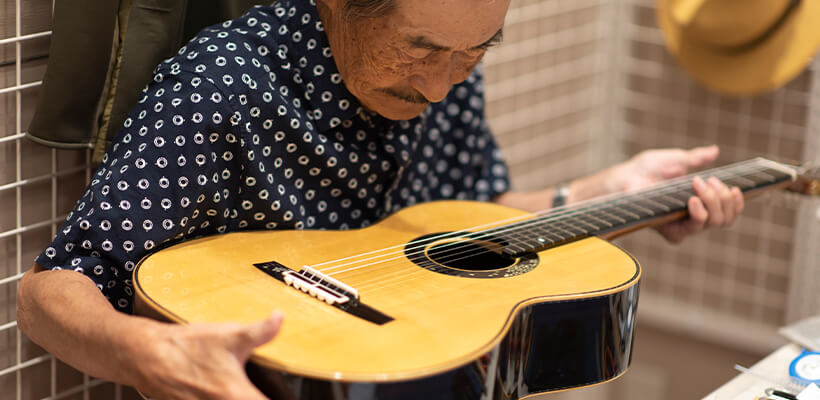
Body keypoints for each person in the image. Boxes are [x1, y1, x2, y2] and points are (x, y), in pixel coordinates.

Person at [17, 0, 744, 398]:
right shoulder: (226, 85)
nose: (439, 87)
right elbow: (52, 289)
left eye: (478, 51)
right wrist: (151, 354)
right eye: (421, 50)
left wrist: (600, 195)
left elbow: (458, 228)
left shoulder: (451, 67)